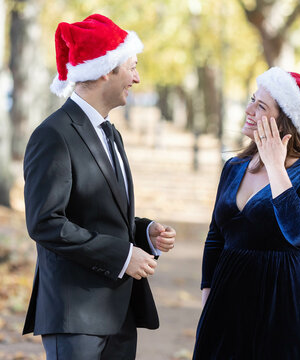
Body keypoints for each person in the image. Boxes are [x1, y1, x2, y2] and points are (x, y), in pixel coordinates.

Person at [22, 14, 176, 360]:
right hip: (75, 315)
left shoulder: (110, 132)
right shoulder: (53, 135)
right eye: (131, 67)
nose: (136, 78)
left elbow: (99, 212)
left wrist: (145, 232)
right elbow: (45, 223)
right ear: (106, 69)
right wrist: (122, 256)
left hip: (118, 313)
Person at [193, 67, 300, 360]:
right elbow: (216, 236)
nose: (249, 110)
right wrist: (208, 295)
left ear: (285, 121)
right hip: (228, 296)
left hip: (284, 299)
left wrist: (276, 167)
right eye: (252, 100)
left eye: (261, 106)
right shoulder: (233, 167)